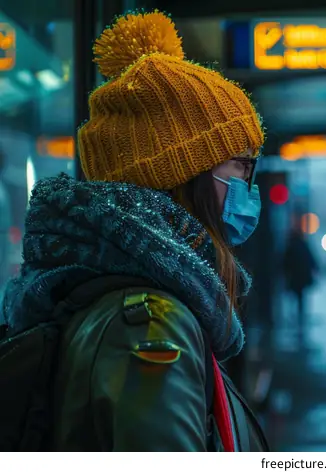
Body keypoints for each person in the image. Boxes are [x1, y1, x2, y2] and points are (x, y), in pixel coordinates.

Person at [0, 11, 268, 451]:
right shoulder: (151, 325)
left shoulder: (116, 299)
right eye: (240, 165)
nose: (247, 186)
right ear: (183, 171)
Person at [282, 218, 319, 348]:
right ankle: (299, 317)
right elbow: (312, 260)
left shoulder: (290, 246)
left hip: (295, 278)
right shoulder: (303, 245)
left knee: (297, 298)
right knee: (301, 298)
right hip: (302, 278)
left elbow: (284, 263)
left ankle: (297, 317)